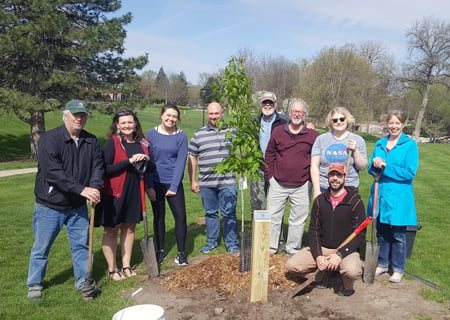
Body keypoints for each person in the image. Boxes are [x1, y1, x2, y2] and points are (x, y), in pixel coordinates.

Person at [26, 100, 104, 300]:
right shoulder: (50, 139)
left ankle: (82, 281)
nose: (80, 118)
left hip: (78, 206)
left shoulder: (91, 140)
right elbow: (54, 173)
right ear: (66, 115)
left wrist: (94, 188)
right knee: (42, 246)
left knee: (82, 246)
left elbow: (98, 167)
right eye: (76, 115)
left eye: (83, 115)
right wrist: (82, 189)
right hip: (50, 205)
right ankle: (34, 284)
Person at [285, 162, 367, 297]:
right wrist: (318, 257)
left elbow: (360, 234)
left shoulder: (355, 201)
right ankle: (321, 277)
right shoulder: (320, 201)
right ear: (328, 177)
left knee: (352, 271)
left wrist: (339, 255)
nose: (335, 178)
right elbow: (313, 231)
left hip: (345, 249)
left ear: (344, 178)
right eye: (332, 175)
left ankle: (346, 286)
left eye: (339, 175)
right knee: (291, 265)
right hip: (323, 248)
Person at [95, 110, 155, 280]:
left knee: (129, 229)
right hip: (114, 193)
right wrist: (128, 161)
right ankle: (113, 268)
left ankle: (126, 265)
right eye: (123, 123)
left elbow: (152, 168)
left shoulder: (143, 143)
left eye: (130, 122)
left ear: (135, 123)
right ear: (117, 125)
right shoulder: (112, 143)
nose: (127, 126)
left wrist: (146, 158)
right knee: (111, 230)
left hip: (134, 192)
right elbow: (104, 169)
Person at [369, 110, 419, 283]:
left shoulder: (409, 145)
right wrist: (375, 165)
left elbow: (410, 172)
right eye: (391, 123)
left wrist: (386, 166)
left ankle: (398, 268)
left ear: (403, 124)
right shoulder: (380, 144)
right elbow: (371, 168)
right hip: (381, 194)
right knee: (382, 232)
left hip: (399, 197)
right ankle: (382, 264)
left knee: (398, 234)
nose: (393, 126)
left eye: (397, 123)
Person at [265, 99, 319, 256]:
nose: (297, 114)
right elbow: (269, 154)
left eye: (300, 112)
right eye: (294, 111)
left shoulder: (312, 135)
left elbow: (317, 158)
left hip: (302, 185)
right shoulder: (278, 132)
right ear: (289, 113)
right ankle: (271, 249)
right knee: (274, 218)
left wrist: (310, 180)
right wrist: (271, 176)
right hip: (278, 184)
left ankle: (292, 250)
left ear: (304, 114)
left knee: (298, 220)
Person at [188, 102, 240, 254]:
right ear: (207, 114)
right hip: (206, 183)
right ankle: (211, 242)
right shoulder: (199, 134)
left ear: (222, 113)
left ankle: (231, 243)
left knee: (229, 213)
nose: (214, 116)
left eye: (217, 113)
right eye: (211, 113)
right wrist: (193, 180)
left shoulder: (232, 132)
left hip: (227, 182)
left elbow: (247, 141)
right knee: (210, 213)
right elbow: (192, 157)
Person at [146, 104, 189, 266]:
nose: (171, 119)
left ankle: (181, 253)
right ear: (161, 115)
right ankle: (160, 251)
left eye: (174, 116)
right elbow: (148, 161)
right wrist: (149, 186)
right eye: (168, 115)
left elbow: (180, 163)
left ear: (178, 119)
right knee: (158, 217)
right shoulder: (151, 134)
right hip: (155, 181)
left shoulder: (181, 136)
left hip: (173, 182)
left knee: (180, 217)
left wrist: (173, 186)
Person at [311, 107, 368, 199]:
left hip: (349, 188)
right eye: (335, 120)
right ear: (330, 122)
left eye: (342, 119)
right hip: (325, 187)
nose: (338, 122)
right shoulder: (321, 139)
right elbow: (314, 166)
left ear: (347, 120)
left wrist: (355, 150)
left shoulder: (358, 140)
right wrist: (317, 190)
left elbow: (362, 167)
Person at [250, 91, 289, 213]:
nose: (268, 105)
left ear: (275, 104)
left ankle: (276, 232)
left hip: (276, 169)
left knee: (276, 205)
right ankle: (257, 232)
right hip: (258, 168)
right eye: (265, 102)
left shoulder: (284, 122)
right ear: (260, 104)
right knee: (257, 204)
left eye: (270, 103)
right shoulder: (254, 122)